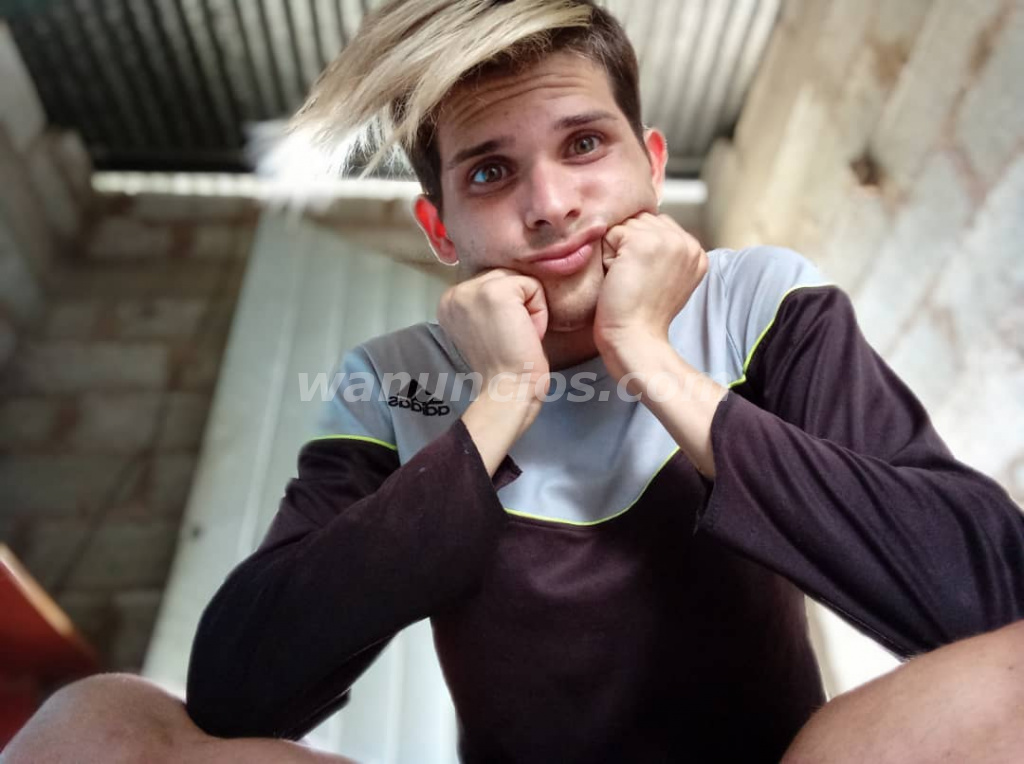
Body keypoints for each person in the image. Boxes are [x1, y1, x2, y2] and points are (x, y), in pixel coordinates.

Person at [4, 1, 1023, 762]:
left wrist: (649, 355)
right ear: (439, 227)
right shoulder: (393, 383)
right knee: (94, 725)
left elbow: (985, 594)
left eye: (584, 144)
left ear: (650, 160)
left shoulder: (757, 298)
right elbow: (240, 688)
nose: (550, 203)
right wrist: (498, 402)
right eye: (490, 172)